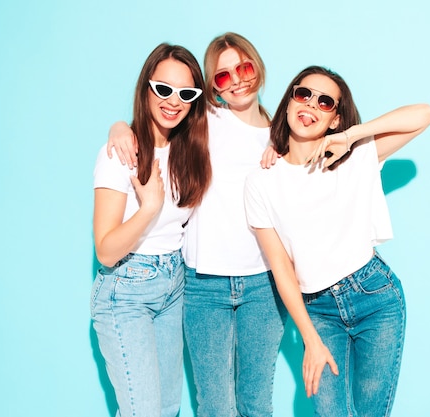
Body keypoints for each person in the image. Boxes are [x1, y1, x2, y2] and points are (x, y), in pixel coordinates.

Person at [106, 33, 287, 417]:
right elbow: (162, 107)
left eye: (244, 67)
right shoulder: (204, 120)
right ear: (213, 89)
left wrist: (282, 145)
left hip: (263, 283)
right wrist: (120, 127)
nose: (236, 79)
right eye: (222, 77)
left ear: (258, 67)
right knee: (216, 407)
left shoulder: (282, 134)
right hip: (203, 284)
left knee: (257, 405)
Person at [244, 65, 430, 417]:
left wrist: (352, 135)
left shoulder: (356, 155)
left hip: (375, 298)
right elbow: (282, 270)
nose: (311, 104)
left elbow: (424, 114)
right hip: (318, 311)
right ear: (288, 103)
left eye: (325, 102)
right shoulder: (261, 182)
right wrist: (310, 338)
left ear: (335, 119)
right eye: (303, 95)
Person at [91, 43, 211, 417]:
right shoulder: (121, 152)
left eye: (185, 93)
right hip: (126, 291)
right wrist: (151, 208)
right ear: (146, 88)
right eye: (162, 89)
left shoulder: (189, 150)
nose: (173, 101)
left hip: (174, 287)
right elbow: (106, 250)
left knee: (168, 408)